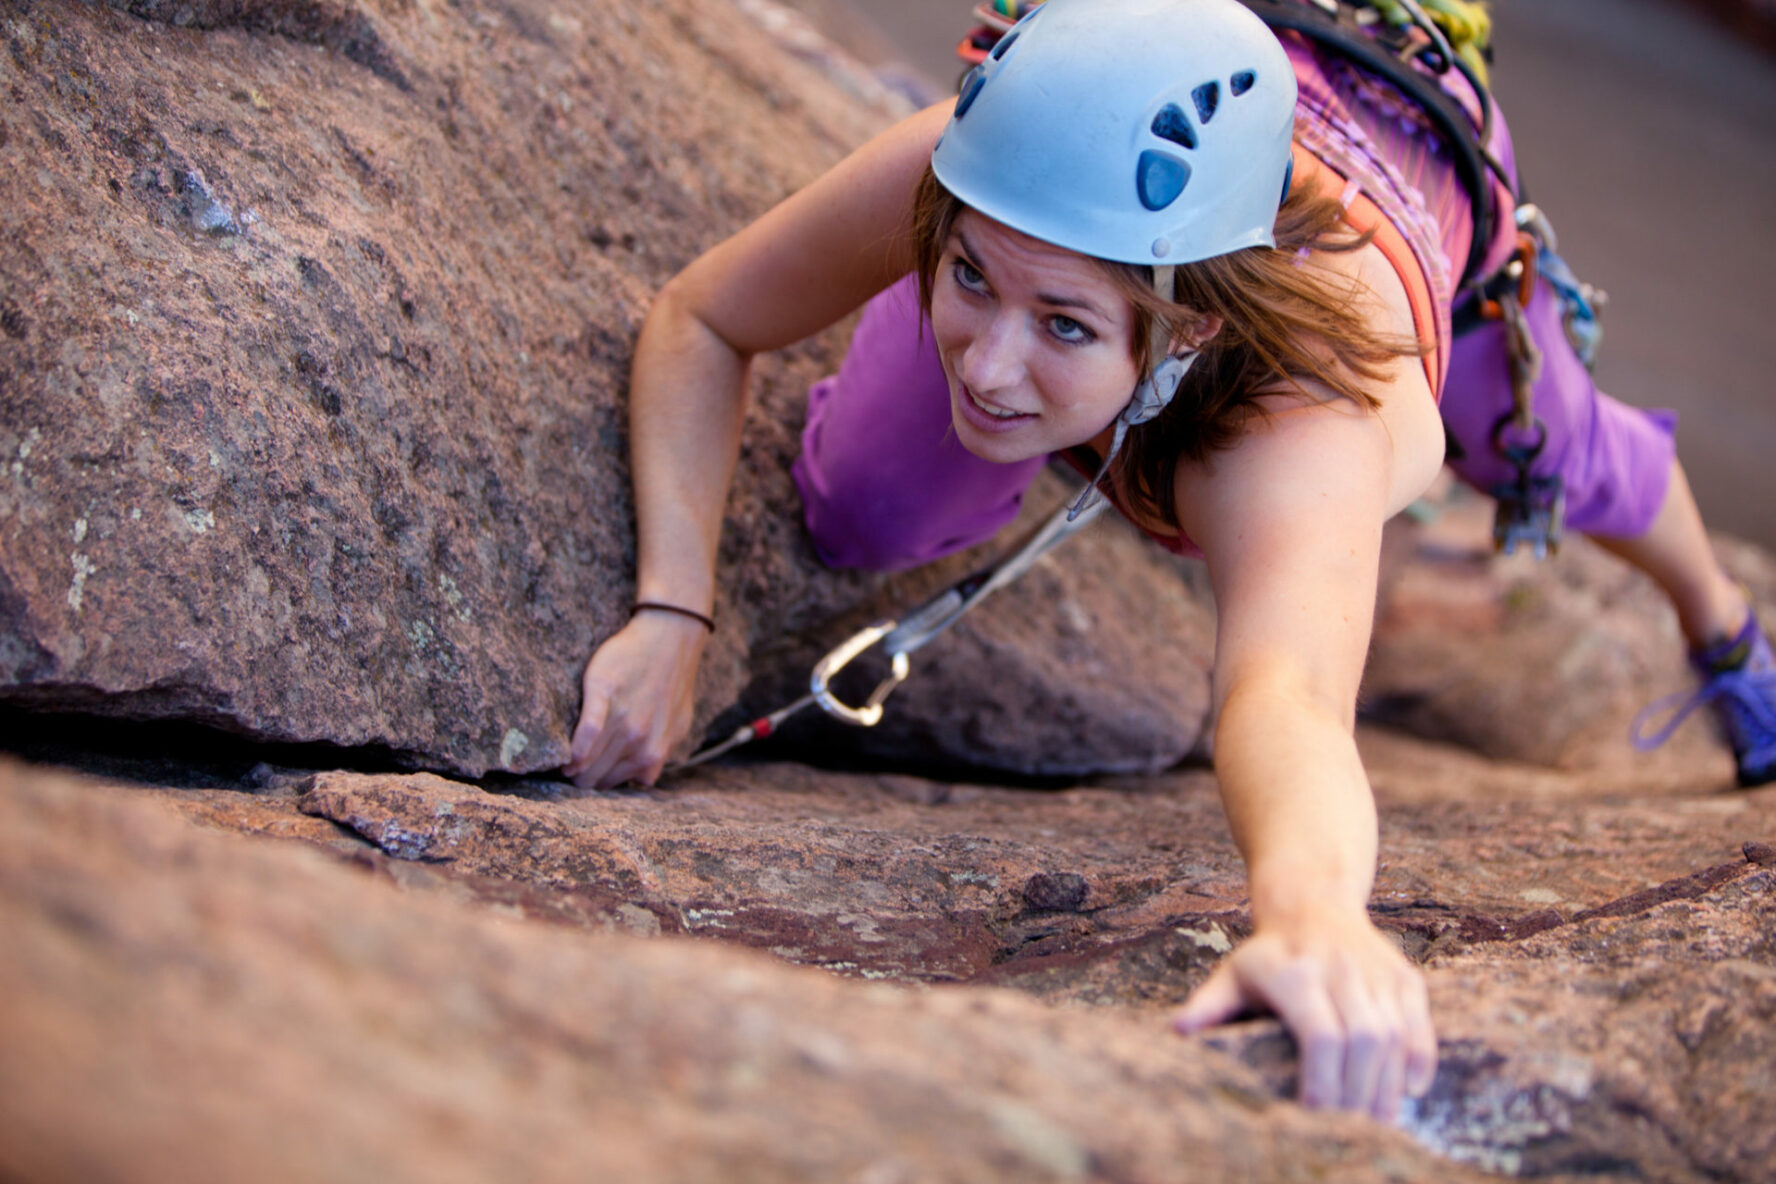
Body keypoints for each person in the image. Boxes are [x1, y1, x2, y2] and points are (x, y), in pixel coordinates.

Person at [562, 0, 1776, 1119]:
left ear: (1189, 328)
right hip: (1189, 91)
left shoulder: (1306, 430)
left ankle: (1726, 631)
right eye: (968, 278)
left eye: (1063, 324)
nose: (984, 364)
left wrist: (1312, 921)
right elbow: (706, 318)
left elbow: (1287, 695)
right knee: (861, 509)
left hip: (1391, 134)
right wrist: (675, 607)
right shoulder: (1022, 163)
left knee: (1561, 446)